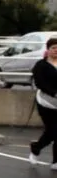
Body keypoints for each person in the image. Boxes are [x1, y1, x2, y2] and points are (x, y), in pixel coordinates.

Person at [29, 37, 57, 169]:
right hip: (46, 102)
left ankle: (55, 161)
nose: (56, 50)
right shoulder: (41, 65)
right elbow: (40, 82)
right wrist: (53, 93)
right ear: (48, 49)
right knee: (52, 131)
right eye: (53, 48)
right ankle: (36, 148)